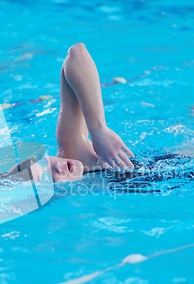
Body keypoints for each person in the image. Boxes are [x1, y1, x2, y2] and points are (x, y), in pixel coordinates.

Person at [9, 43, 135, 183]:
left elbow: (77, 53)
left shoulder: (74, 153)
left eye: (43, 163)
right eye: (46, 178)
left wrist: (98, 129)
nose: (57, 168)